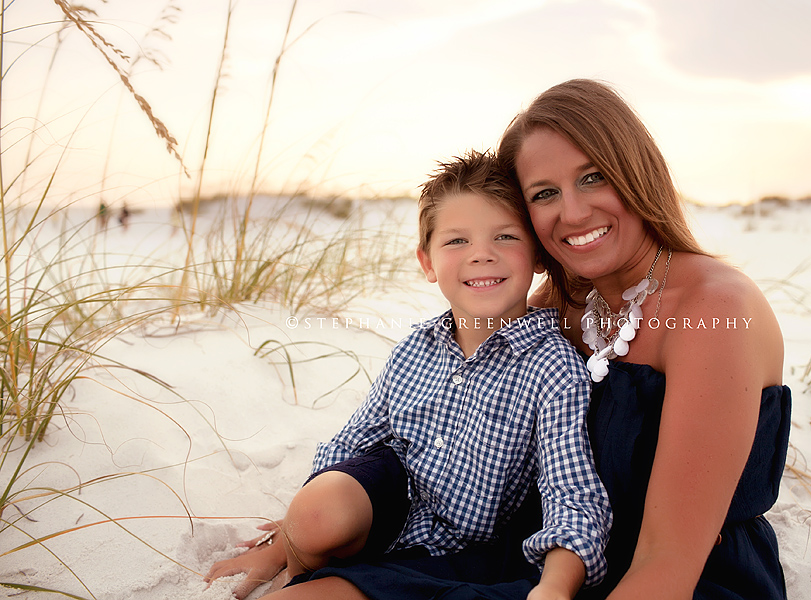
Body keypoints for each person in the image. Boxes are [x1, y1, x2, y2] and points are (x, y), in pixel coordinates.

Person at [204, 149, 612, 599]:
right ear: (428, 262)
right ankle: (298, 566)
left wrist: (554, 587)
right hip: (388, 504)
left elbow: (570, 493)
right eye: (457, 241)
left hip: (464, 551)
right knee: (318, 511)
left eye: (505, 237)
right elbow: (353, 441)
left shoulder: (553, 368)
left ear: (536, 254)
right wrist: (288, 538)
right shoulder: (416, 348)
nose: (481, 255)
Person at [493, 79, 791, 599]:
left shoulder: (715, 310)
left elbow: (666, 564)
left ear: (637, 172)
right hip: (557, 561)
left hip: (684, 579)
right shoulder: (556, 305)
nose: (574, 212)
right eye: (544, 194)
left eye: (594, 177)